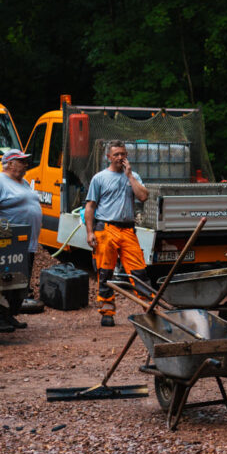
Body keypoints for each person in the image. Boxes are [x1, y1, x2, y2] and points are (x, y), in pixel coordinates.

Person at [85, 140, 151, 327]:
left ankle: (149, 307)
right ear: (108, 157)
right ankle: (107, 311)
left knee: (139, 270)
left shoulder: (134, 176)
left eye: (123, 154)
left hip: (128, 229)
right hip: (106, 229)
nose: (120, 158)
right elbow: (90, 206)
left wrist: (130, 175)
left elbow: (143, 196)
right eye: (116, 155)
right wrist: (90, 232)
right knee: (105, 271)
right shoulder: (99, 178)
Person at [0, 149, 43, 332]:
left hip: (26, 243)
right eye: (21, 161)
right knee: (4, 281)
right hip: (7, 243)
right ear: (9, 163)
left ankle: (9, 315)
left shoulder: (23, 183)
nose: (25, 165)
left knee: (20, 282)